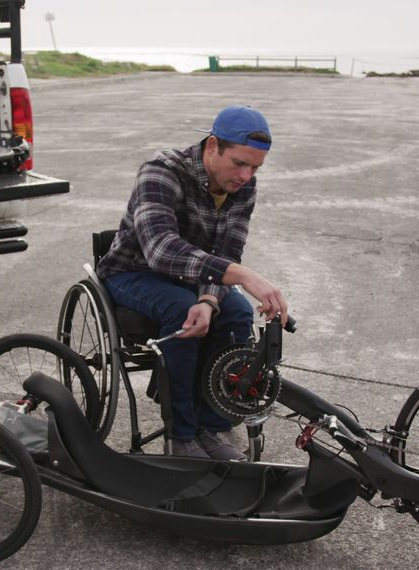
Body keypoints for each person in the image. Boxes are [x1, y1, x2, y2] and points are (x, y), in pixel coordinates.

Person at [96, 105, 288, 460]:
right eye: (240, 164)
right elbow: (160, 250)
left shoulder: (242, 187)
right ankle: (181, 435)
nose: (246, 176)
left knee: (236, 314)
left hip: (195, 277)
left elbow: (227, 250)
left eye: (256, 167)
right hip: (134, 271)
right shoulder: (162, 170)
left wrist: (210, 301)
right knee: (183, 312)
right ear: (213, 145)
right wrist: (242, 276)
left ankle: (212, 427)